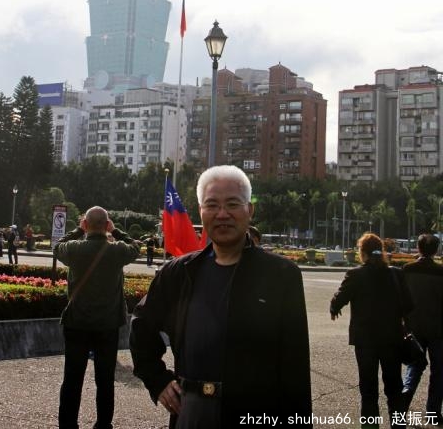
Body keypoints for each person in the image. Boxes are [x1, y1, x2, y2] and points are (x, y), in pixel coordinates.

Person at [130, 165, 312, 428]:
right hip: (191, 412)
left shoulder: (281, 275)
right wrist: (157, 380)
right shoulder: (178, 272)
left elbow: (295, 367)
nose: (222, 214)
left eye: (233, 204)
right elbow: (142, 327)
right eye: (212, 205)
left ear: (249, 210)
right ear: (201, 211)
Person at [54, 206, 141, 429]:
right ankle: (103, 424)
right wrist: (116, 231)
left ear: (86, 224)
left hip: (77, 322)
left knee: (72, 379)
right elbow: (136, 247)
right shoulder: (116, 250)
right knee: (105, 380)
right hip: (107, 324)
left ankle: (68, 424)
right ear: (106, 225)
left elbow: (57, 246)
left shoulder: (74, 248)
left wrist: (77, 230)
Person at [330, 232, 413, 424]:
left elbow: (340, 298)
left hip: (365, 340)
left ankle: (370, 426)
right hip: (392, 338)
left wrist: (334, 308)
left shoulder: (355, 274)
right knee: (394, 389)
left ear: (362, 252)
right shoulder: (396, 274)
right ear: (381, 251)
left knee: (368, 390)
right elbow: (409, 305)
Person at [402, 233, 443, 420]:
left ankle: (405, 395)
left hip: (413, 327)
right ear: (436, 250)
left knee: (415, 366)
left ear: (418, 248)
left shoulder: (406, 270)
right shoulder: (441, 272)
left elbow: (401, 299)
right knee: (438, 371)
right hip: (438, 328)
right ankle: (433, 412)